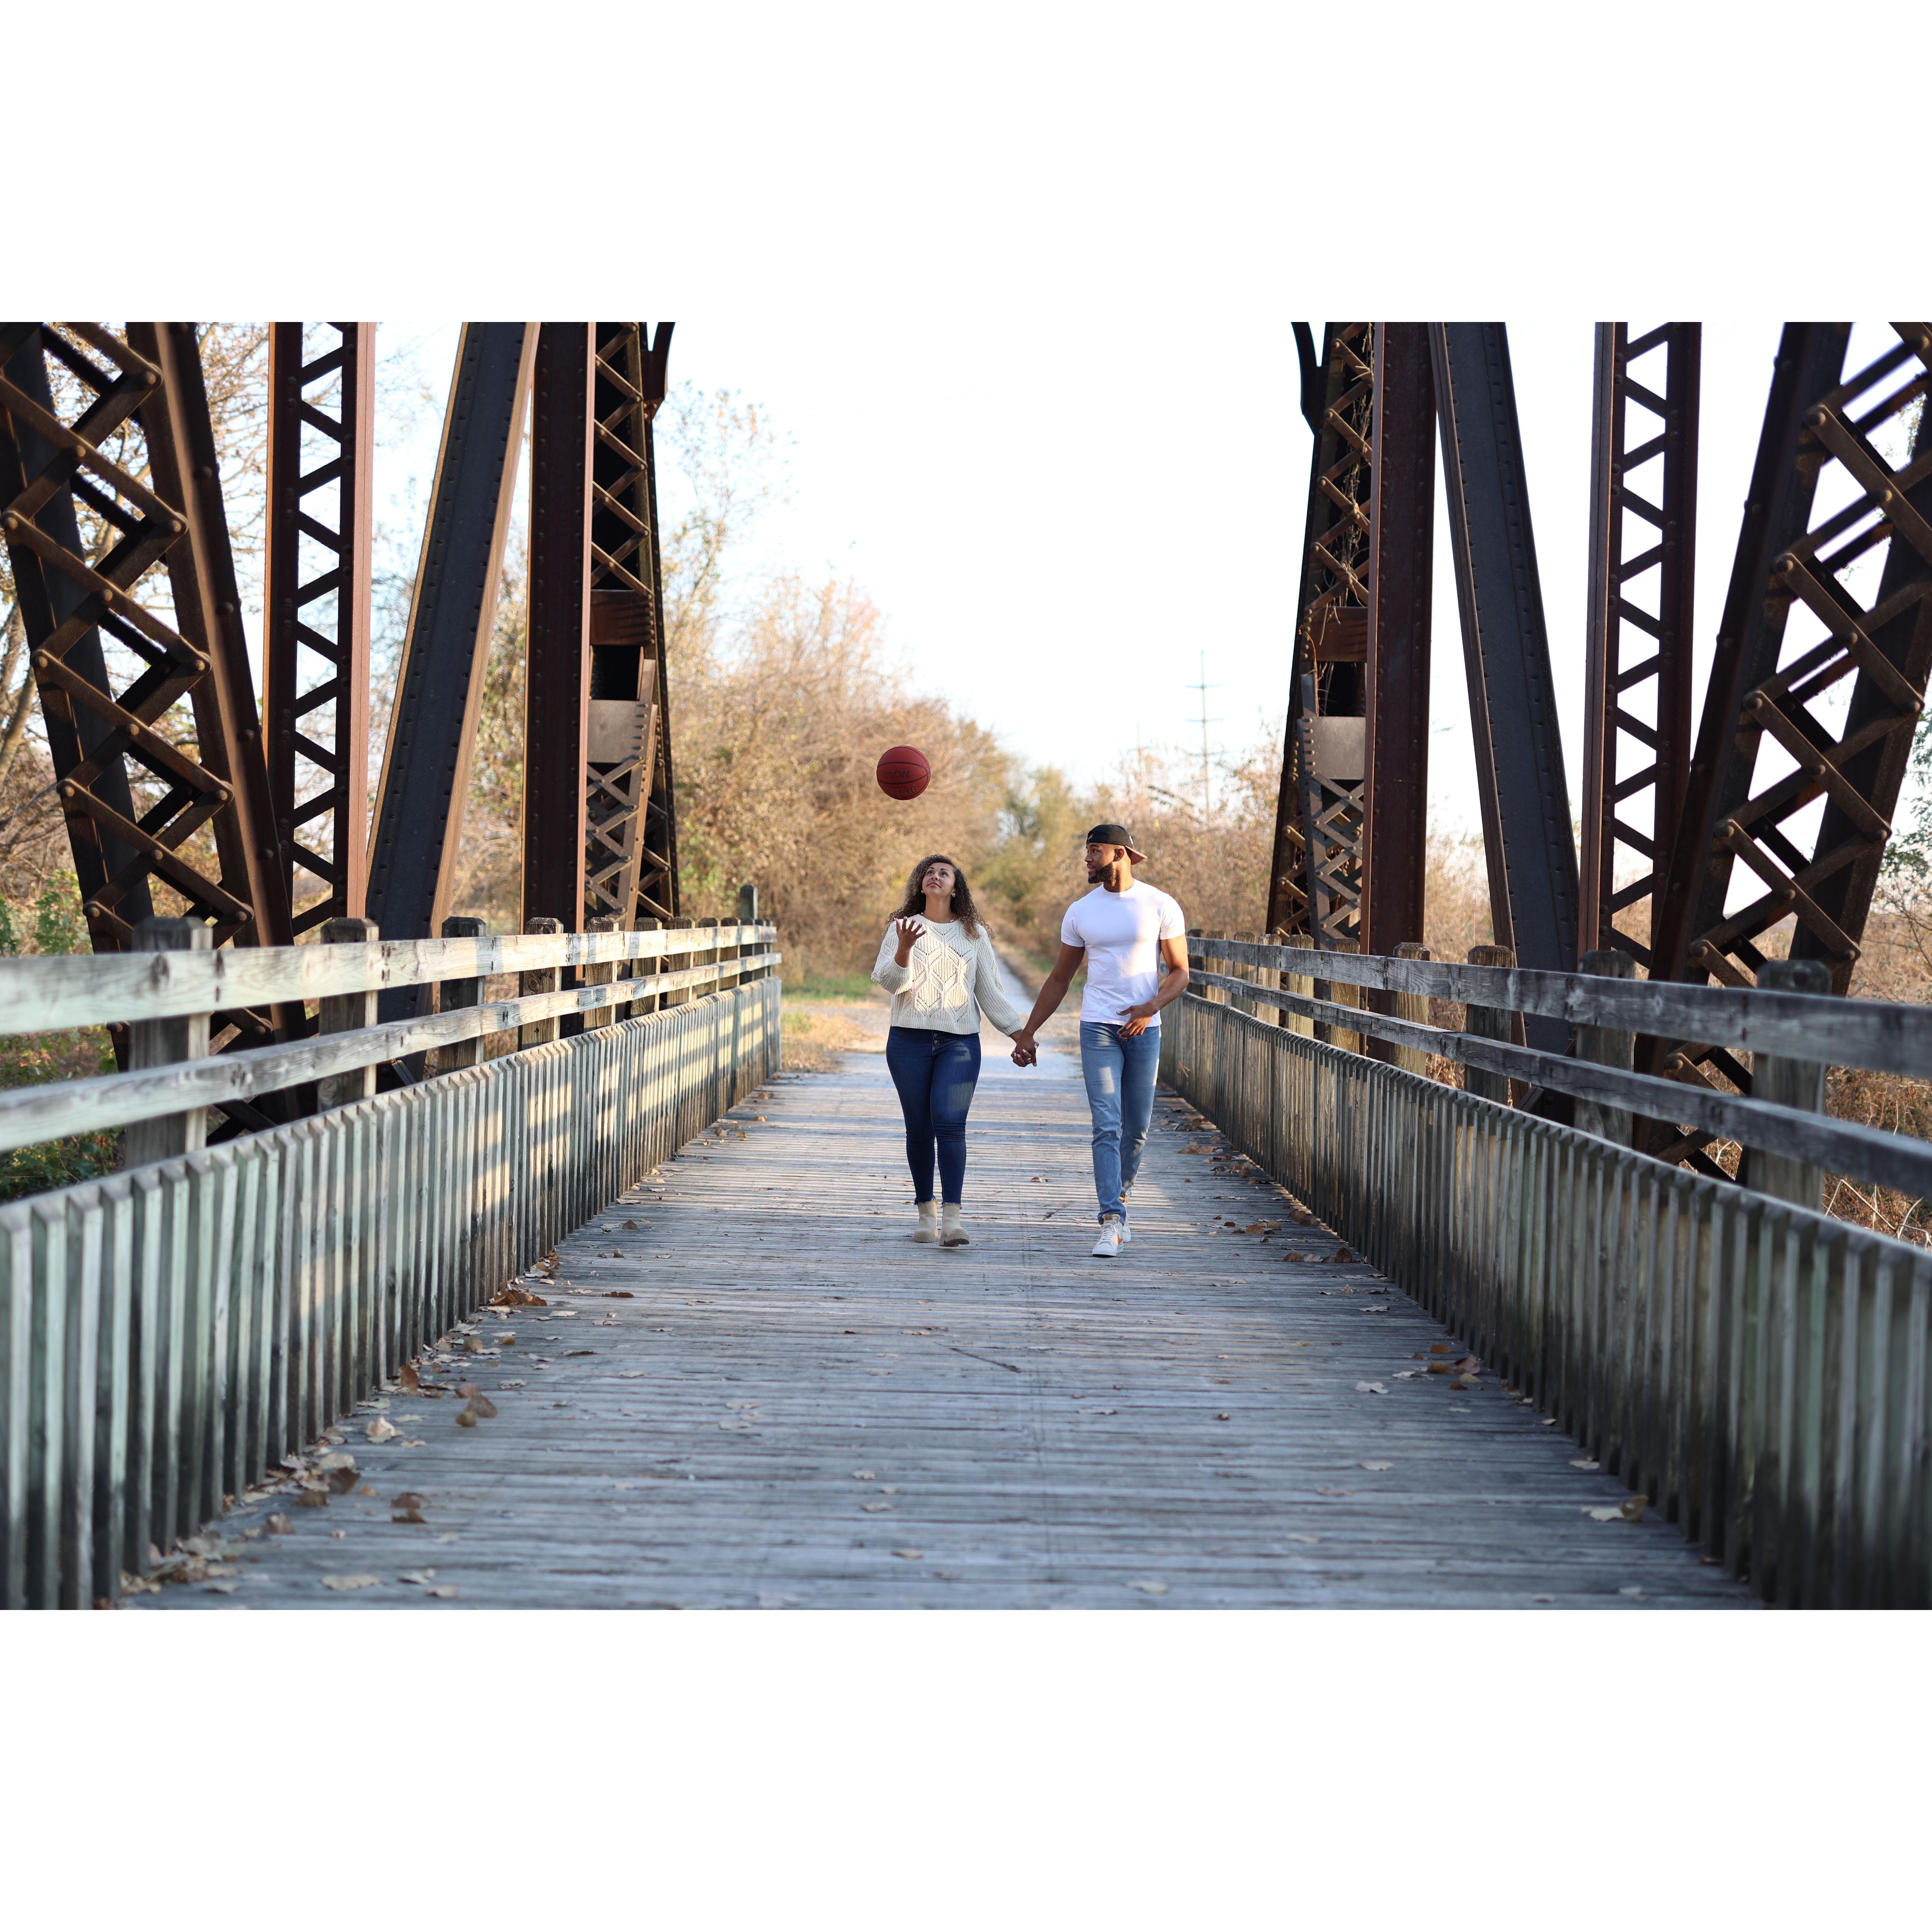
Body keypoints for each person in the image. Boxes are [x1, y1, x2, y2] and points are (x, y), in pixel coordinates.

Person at [1009, 824, 1188, 1257]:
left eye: (1095, 850)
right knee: (1107, 1124)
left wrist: (1150, 1008)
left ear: (1120, 854)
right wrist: (1029, 1032)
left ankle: (1120, 1200)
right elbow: (1059, 978)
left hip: (1145, 1029)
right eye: (1086, 850)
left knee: (1137, 1128)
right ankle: (1111, 1220)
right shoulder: (1081, 912)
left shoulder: (1160, 904)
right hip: (1098, 1028)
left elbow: (1181, 972)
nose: (1087, 858)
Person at [871, 854, 1030, 1248]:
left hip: (959, 1042)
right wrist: (905, 948)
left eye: (944, 873)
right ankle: (926, 1214)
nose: (935, 876)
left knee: (950, 1123)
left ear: (956, 888)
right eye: (929, 872)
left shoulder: (974, 935)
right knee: (919, 1128)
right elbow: (891, 983)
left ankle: (952, 1221)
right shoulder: (902, 928)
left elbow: (990, 993)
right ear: (920, 884)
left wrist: (1020, 1034)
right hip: (907, 1041)